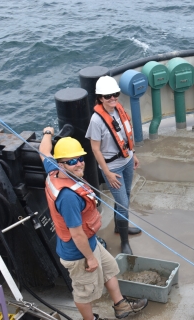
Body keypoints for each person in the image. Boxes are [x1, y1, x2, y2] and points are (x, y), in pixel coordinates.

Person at [39, 129, 148, 320]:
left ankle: (121, 306)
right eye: (72, 161)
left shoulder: (54, 169)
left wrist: (47, 133)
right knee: (83, 291)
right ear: (61, 163)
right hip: (78, 252)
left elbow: (44, 151)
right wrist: (89, 258)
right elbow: (77, 234)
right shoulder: (68, 198)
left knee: (109, 268)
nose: (78, 164)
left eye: (80, 158)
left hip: (89, 243)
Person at [85, 76, 140, 255]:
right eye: (108, 96)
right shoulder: (96, 120)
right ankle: (124, 242)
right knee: (123, 203)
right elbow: (95, 149)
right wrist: (107, 173)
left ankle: (119, 227)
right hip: (113, 168)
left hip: (127, 160)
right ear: (100, 98)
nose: (112, 98)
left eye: (115, 94)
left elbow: (126, 137)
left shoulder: (119, 110)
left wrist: (134, 155)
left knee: (126, 195)